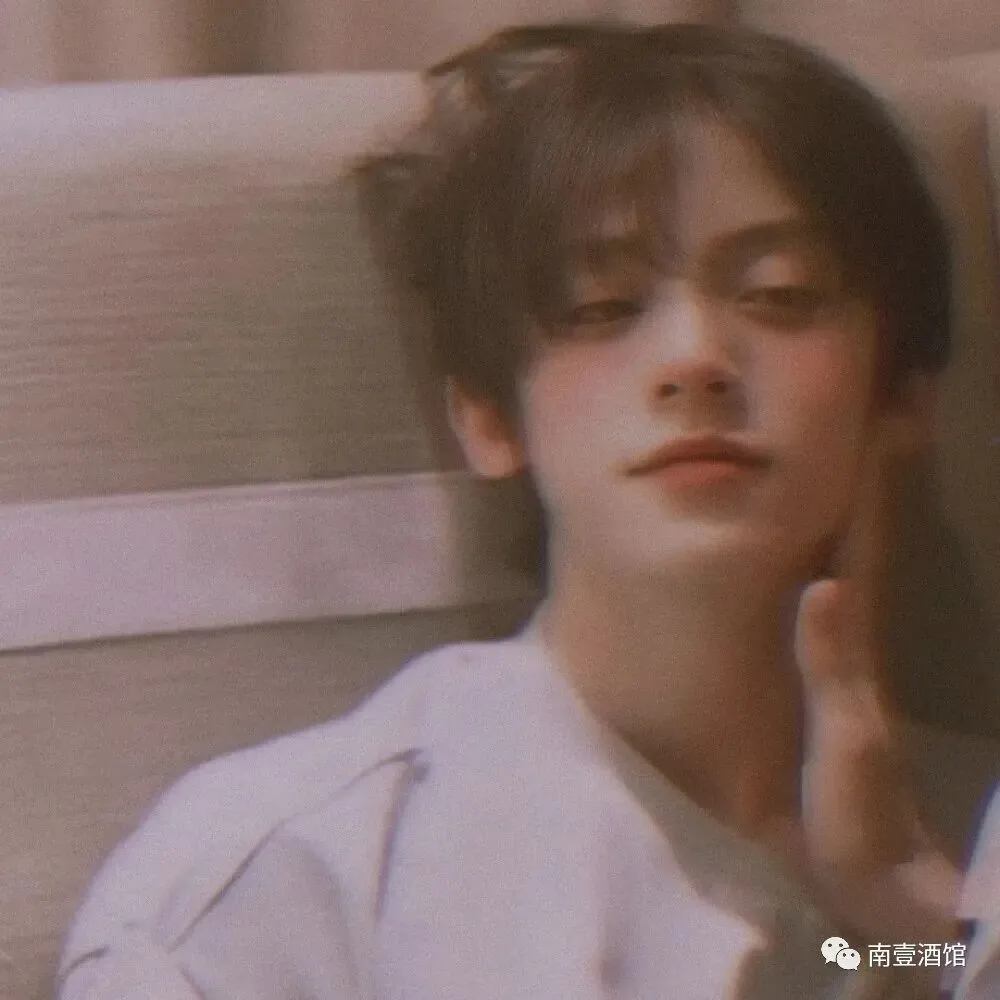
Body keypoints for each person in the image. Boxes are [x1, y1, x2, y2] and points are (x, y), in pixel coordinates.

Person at [57, 20, 999, 999]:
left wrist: (918, 916)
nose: (694, 358)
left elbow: (890, 955)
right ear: (487, 414)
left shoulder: (971, 857)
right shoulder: (285, 888)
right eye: (601, 306)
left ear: (904, 393)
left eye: (780, 293)